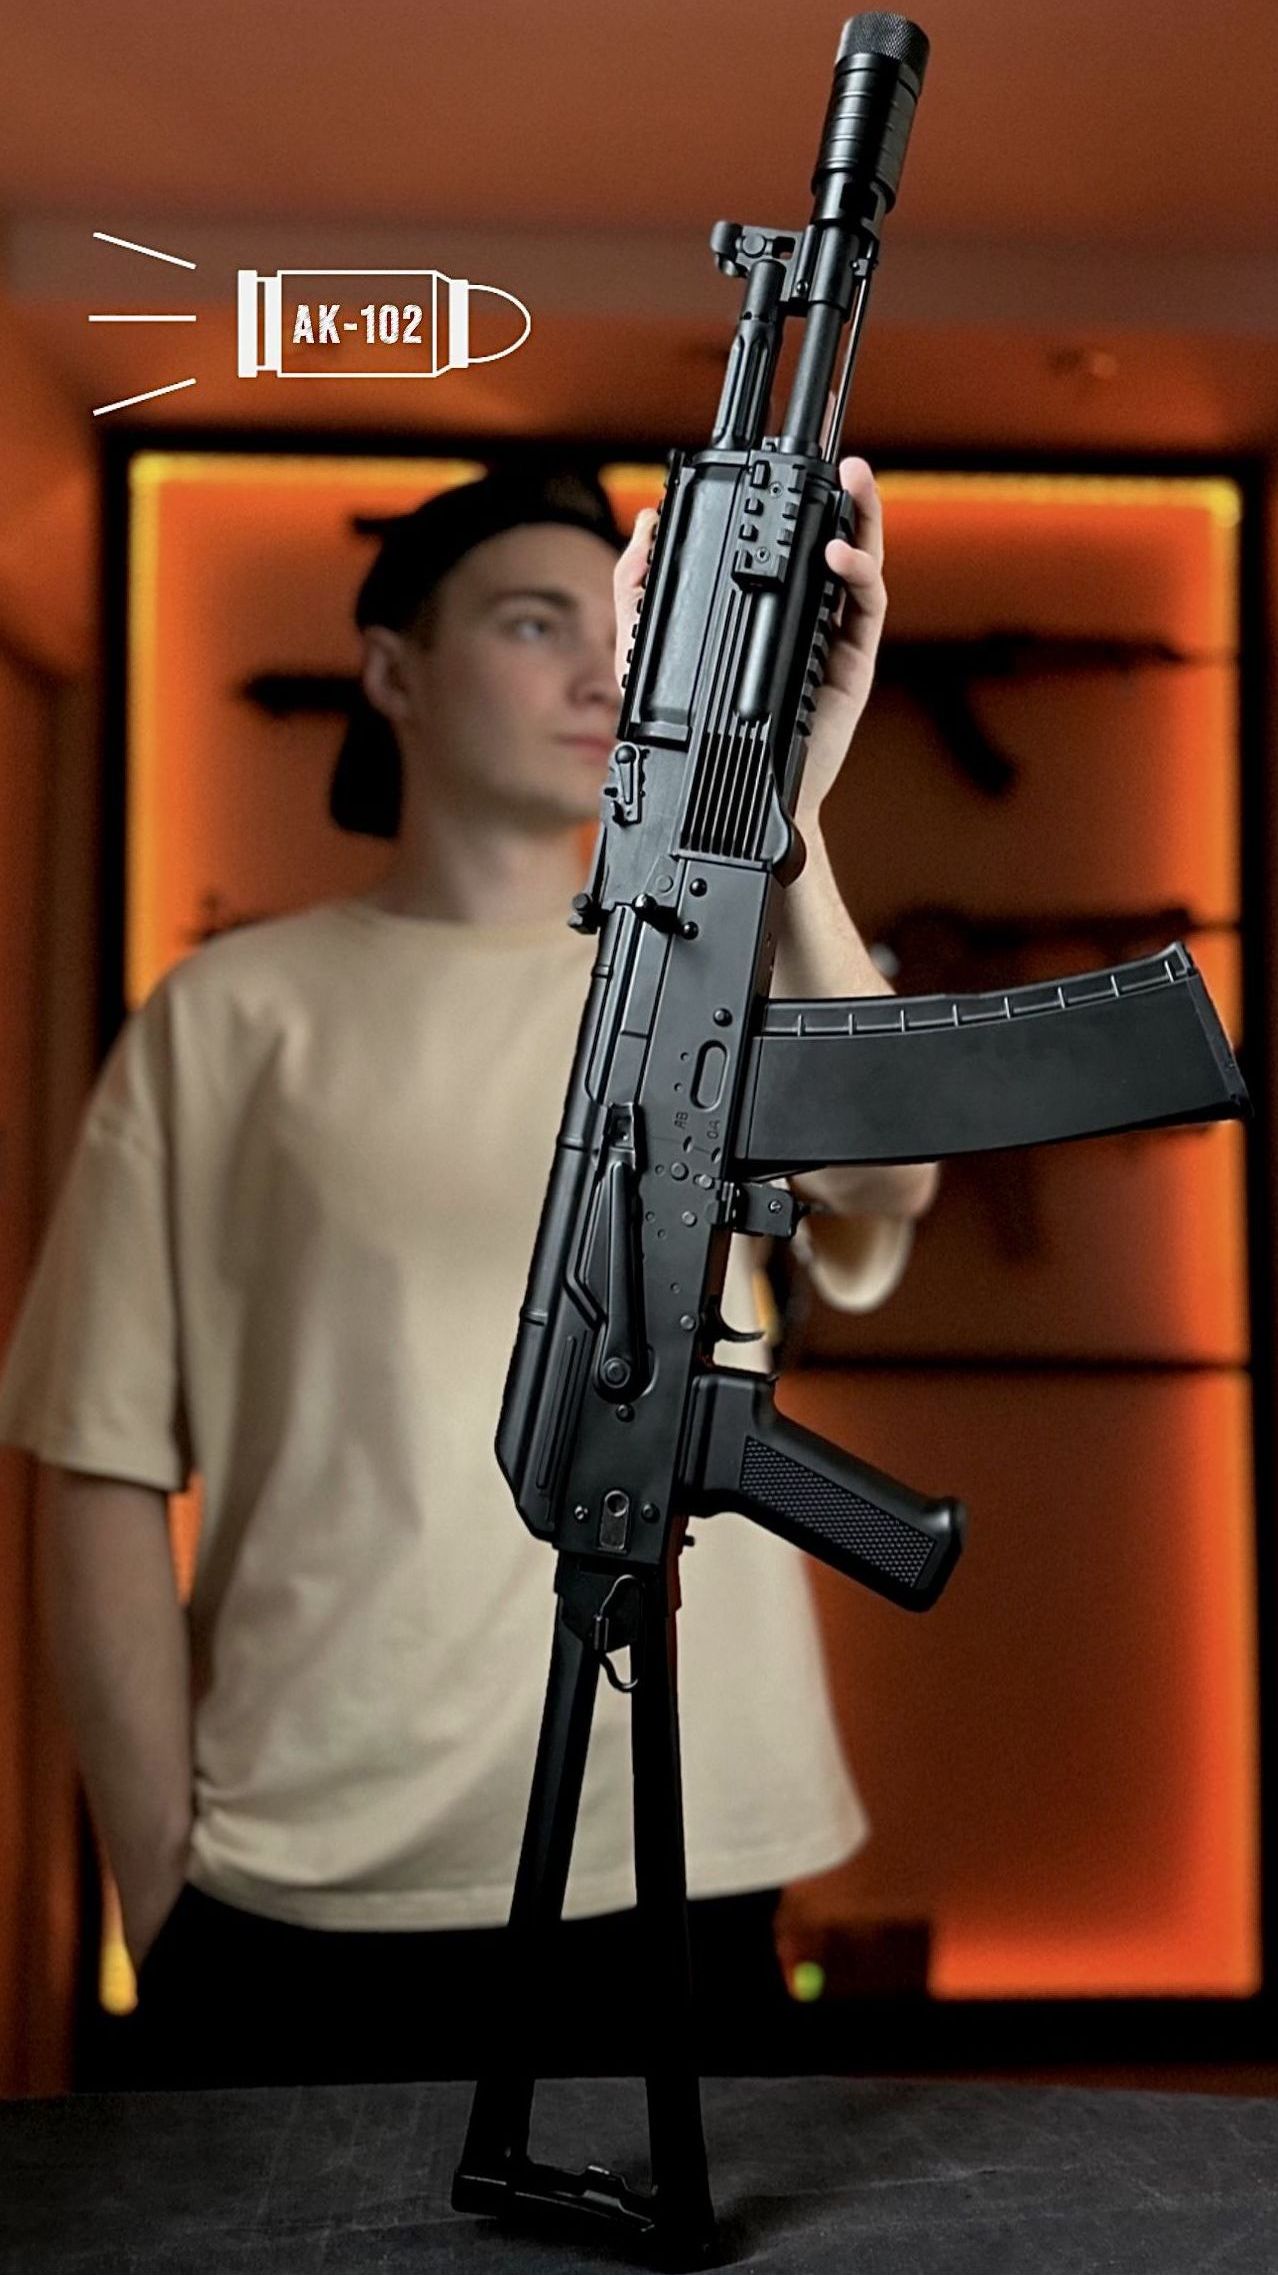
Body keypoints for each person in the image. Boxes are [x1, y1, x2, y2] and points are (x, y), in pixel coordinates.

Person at [0, 459, 938, 2088]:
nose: (595, 674)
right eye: (528, 623)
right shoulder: (229, 1016)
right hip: (310, 1869)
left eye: (617, 635)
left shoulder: (713, 975)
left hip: (679, 1844)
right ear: (393, 671)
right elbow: (95, 1463)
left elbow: (884, 1175)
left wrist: (780, 823)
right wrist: (156, 1890)